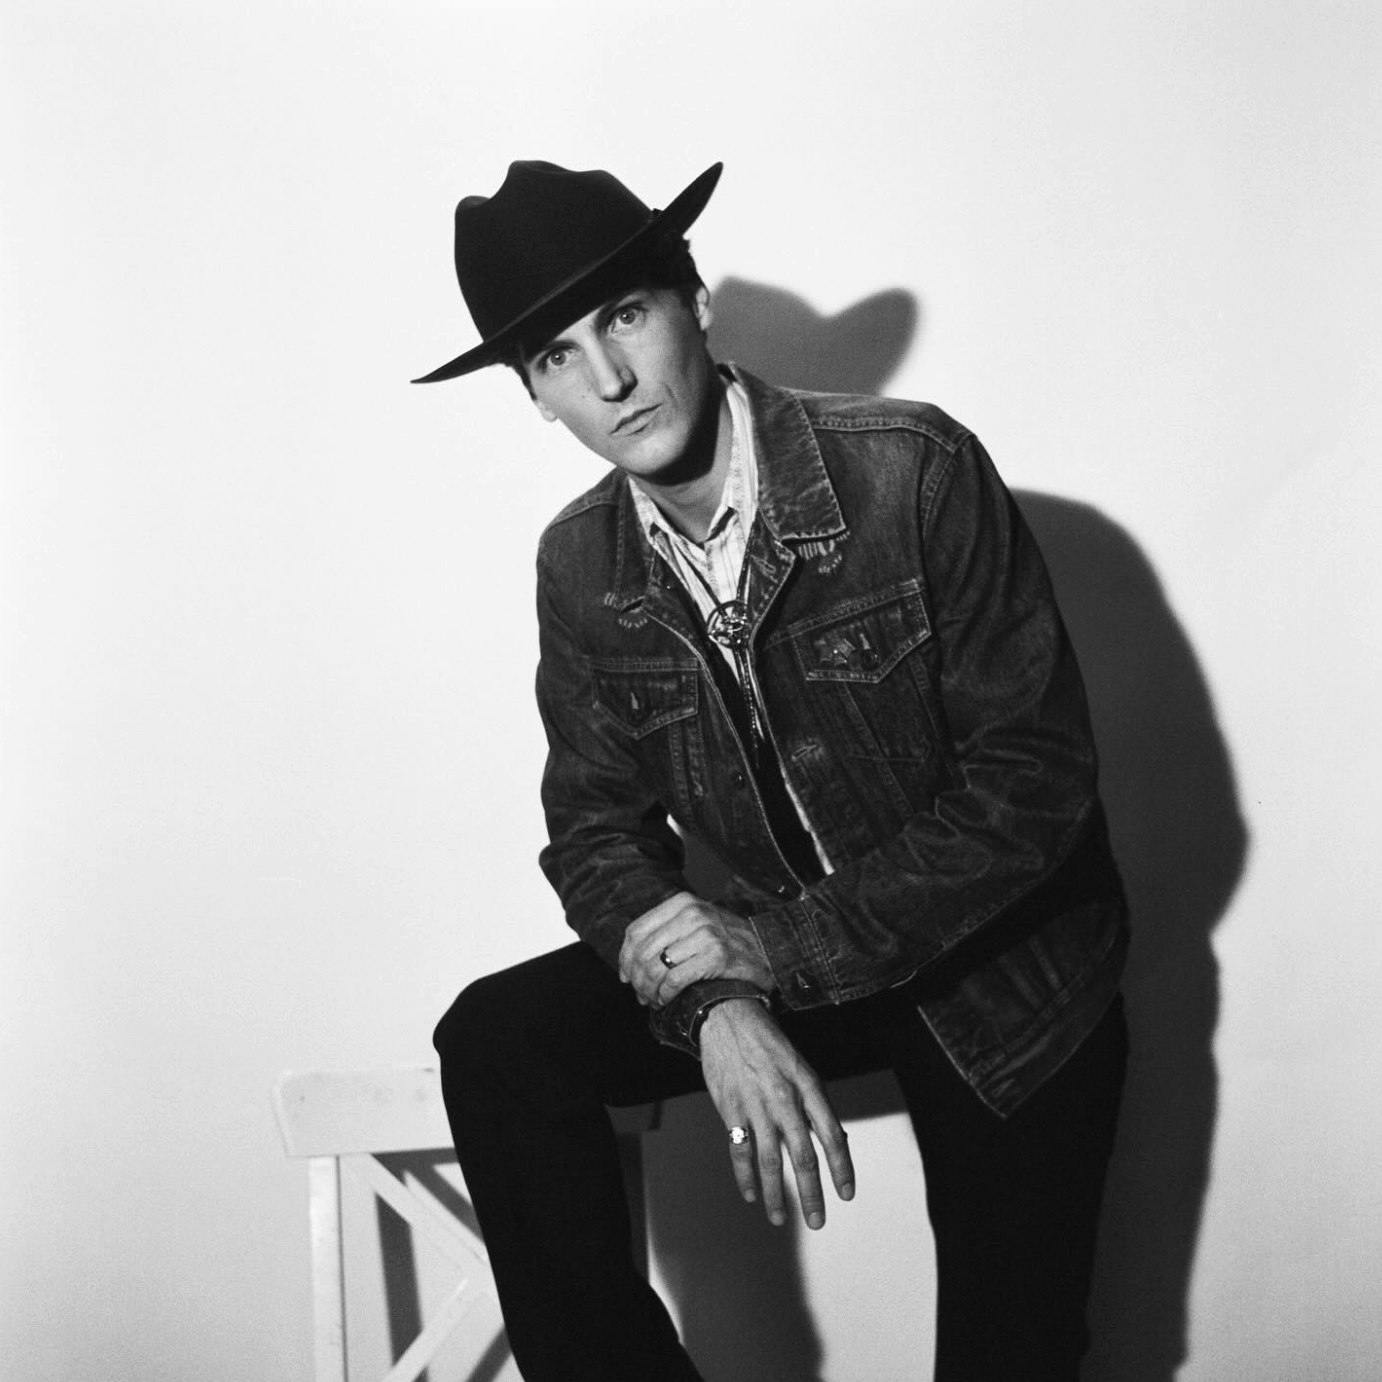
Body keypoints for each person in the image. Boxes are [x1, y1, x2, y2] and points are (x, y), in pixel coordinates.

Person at [416, 159, 1129, 1381]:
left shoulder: (911, 468)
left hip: (1002, 978)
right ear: (533, 395)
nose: (608, 380)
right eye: (556, 356)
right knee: (497, 1040)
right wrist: (712, 998)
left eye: (624, 316)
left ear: (692, 302)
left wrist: (768, 949)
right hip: (789, 958)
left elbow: (1032, 783)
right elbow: (594, 828)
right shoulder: (579, 565)